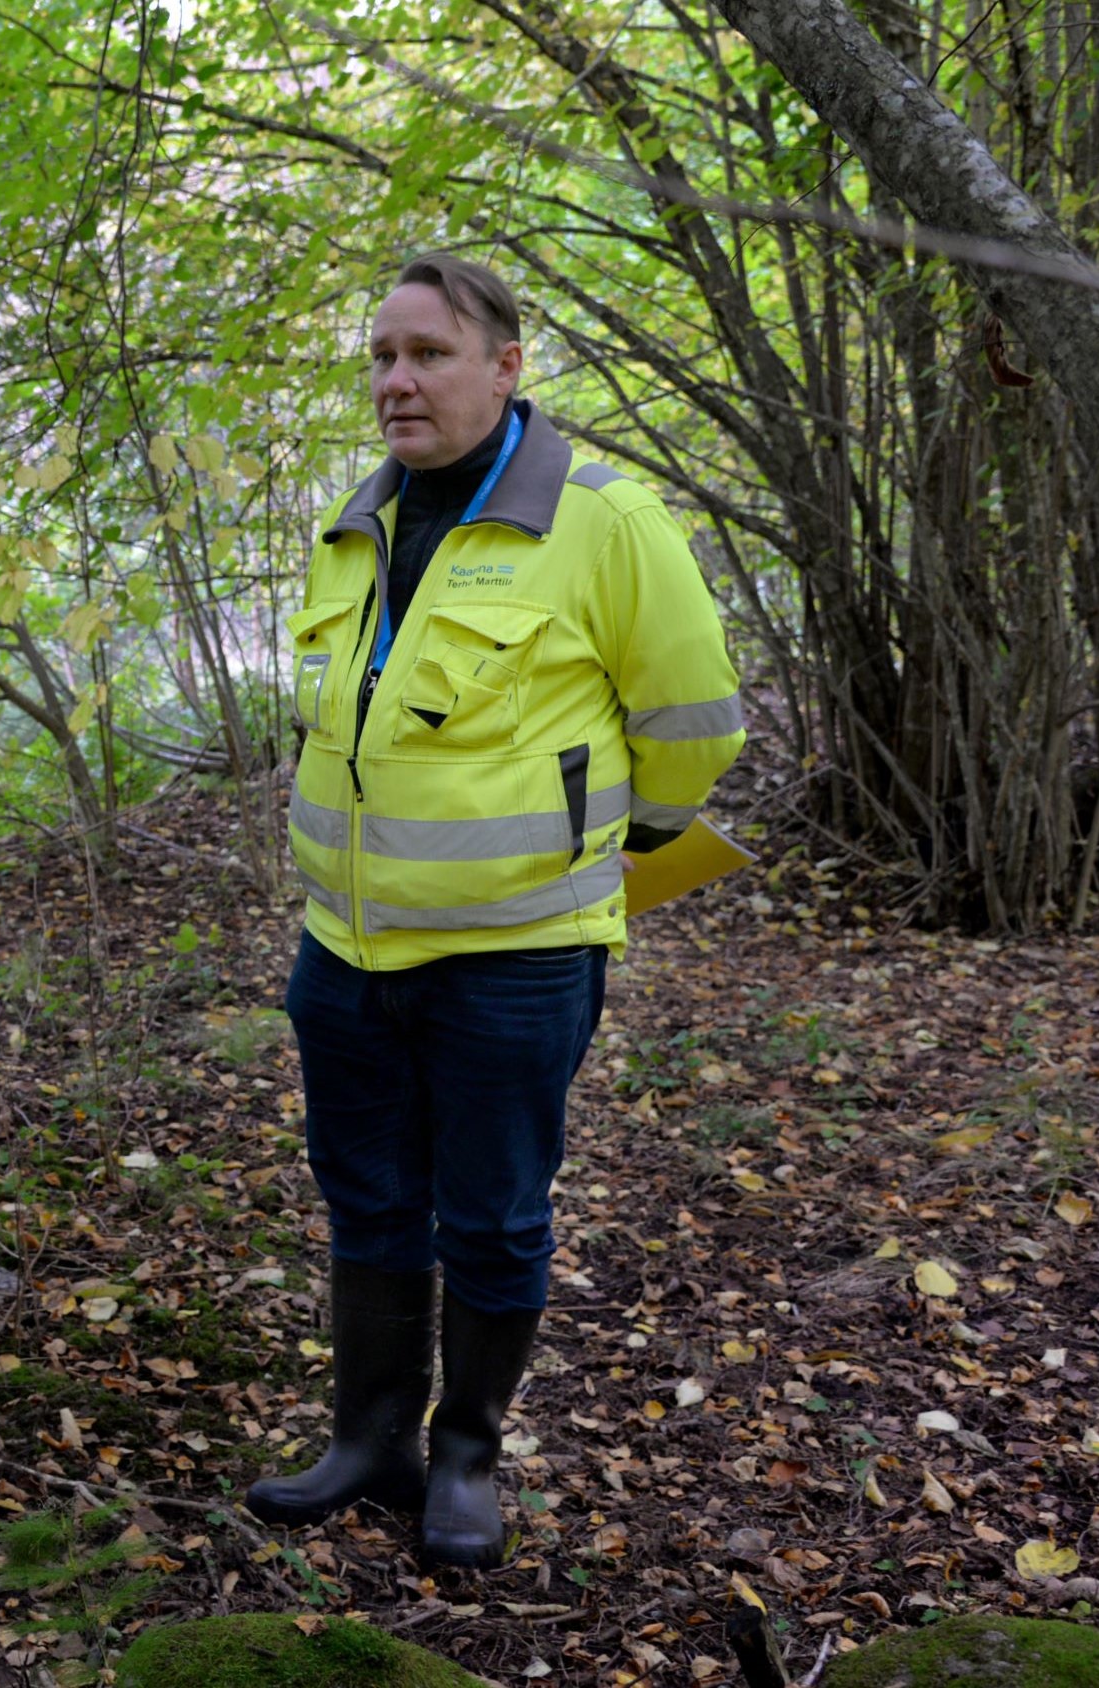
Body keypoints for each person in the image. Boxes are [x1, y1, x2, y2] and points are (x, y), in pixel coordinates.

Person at [243, 256, 743, 1566]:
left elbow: (695, 725)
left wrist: (616, 842)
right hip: (346, 948)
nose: (397, 381)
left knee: (495, 1215)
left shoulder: (602, 518)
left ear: (507, 365)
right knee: (367, 1204)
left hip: (517, 957)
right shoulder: (357, 520)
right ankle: (368, 1442)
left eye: (429, 354)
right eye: (382, 357)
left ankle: (465, 1455)